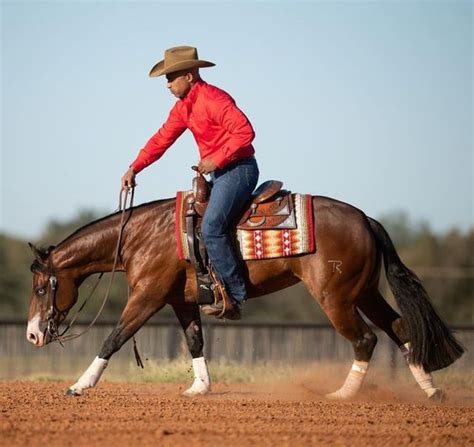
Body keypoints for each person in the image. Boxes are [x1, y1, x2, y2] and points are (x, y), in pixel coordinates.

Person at [121, 46, 259, 320]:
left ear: (190, 75)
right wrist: (135, 167)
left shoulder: (214, 100)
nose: (168, 84)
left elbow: (245, 131)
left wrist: (216, 160)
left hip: (239, 171)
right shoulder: (183, 108)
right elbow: (161, 140)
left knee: (211, 228)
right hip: (219, 174)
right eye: (167, 79)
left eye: (171, 77)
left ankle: (234, 294)